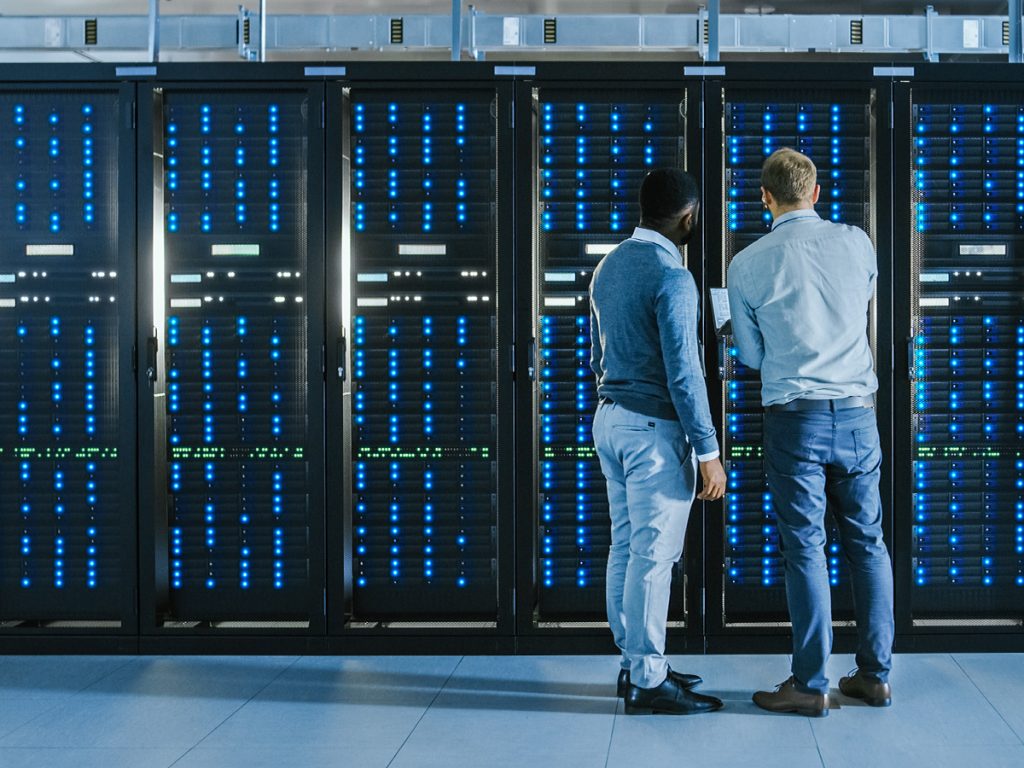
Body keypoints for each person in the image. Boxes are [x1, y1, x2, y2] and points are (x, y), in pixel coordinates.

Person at [727, 148, 895, 718]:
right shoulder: (857, 242)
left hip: (795, 421)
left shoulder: (747, 264)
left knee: (805, 548)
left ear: (765, 197)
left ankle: (810, 684)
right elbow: (860, 307)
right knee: (868, 544)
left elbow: (752, 357)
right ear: (816, 192)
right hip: (858, 416)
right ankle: (874, 677)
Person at [590, 168, 726, 716]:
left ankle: (635, 664)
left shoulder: (609, 265)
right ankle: (648, 678)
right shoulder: (673, 276)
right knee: (653, 557)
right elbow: (685, 373)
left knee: (626, 547)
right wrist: (709, 452)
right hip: (652, 431)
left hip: (610, 420)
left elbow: (599, 355)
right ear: (688, 217)